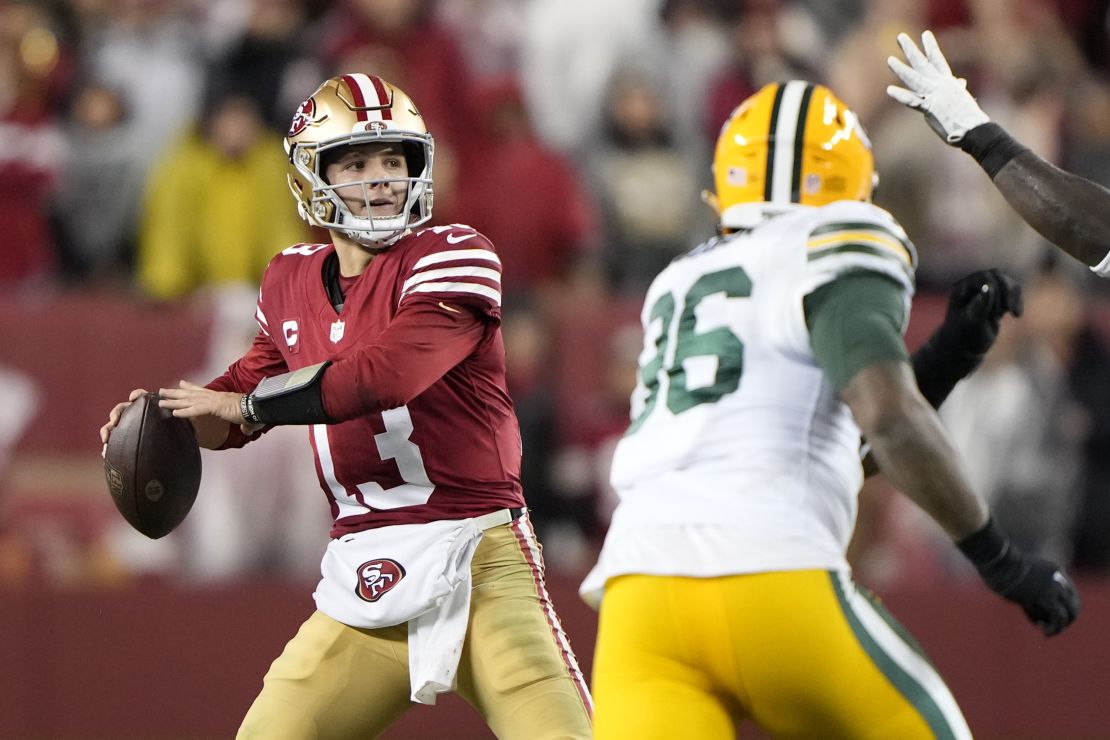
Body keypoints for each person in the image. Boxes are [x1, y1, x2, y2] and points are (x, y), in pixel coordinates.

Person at [580, 80, 1080, 740]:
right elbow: (890, 418)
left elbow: (830, 440)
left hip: (639, 602)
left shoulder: (680, 279)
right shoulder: (837, 236)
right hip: (772, 576)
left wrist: (951, 351)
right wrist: (1002, 560)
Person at [100, 73, 592, 739]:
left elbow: (382, 377)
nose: (381, 177)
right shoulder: (290, 278)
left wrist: (243, 408)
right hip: (361, 572)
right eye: (357, 162)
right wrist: (163, 418)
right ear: (312, 176)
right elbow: (235, 399)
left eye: (393, 160)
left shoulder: (455, 254)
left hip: (478, 561)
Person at [887, 30, 1110, 278]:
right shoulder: (915, 135)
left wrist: (981, 136)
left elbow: (1102, 233)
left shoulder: (1032, 122)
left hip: (1013, 269)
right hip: (934, 266)